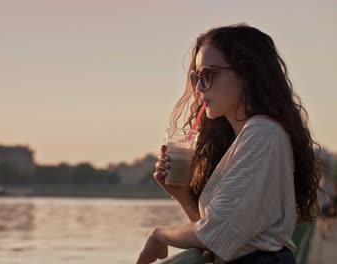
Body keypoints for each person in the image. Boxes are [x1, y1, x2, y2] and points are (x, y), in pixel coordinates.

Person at [136, 24, 323, 264]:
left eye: (208, 74)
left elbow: (212, 233)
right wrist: (181, 193)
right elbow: (224, 238)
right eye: (196, 77)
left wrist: (159, 234)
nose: (199, 87)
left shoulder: (262, 133)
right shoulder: (244, 139)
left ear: (247, 73)